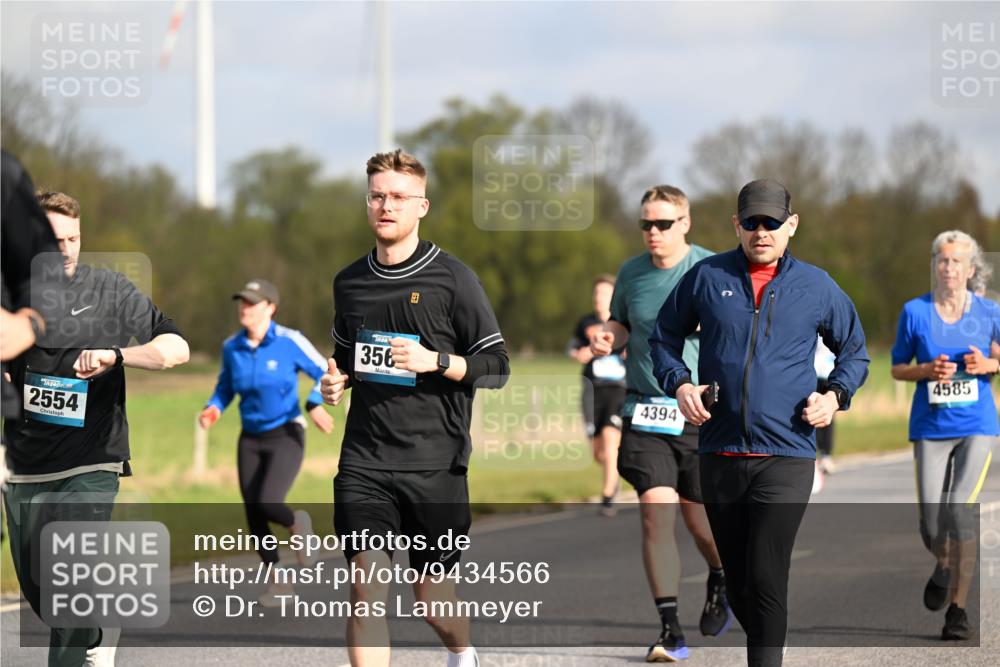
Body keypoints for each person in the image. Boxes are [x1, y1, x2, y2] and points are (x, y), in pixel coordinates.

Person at [650, 179, 869, 667]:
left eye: (772, 222)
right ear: (737, 225)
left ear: (791, 224)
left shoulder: (816, 286)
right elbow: (663, 339)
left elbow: (854, 352)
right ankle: (768, 636)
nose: (761, 231)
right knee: (743, 578)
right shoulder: (706, 277)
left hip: (786, 453)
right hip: (720, 451)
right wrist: (680, 384)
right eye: (751, 222)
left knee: (768, 575)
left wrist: (834, 397)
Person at [320, 149, 509, 667]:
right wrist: (334, 384)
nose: (387, 205)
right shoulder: (348, 282)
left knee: (432, 602)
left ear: (421, 206)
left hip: (436, 464)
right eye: (377, 196)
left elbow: (497, 367)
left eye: (399, 197)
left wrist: (436, 361)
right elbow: (346, 360)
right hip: (365, 462)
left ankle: (462, 651)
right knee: (366, 588)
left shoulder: (453, 279)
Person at [3, 189, 190, 667]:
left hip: (93, 459)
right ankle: (97, 624)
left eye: (73, 238)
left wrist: (119, 355)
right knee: (43, 594)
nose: (64, 248)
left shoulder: (109, 291)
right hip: (25, 466)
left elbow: (175, 348)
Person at [590, 184, 730, 662]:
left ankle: (720, 575)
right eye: (646, 224)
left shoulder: (713, 269)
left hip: (700, 412)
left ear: (685, 224)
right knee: (656, 513)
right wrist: (610, 335)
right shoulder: (631, 272)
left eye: (663, 224)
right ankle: (670, 628)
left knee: (702, 524)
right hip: (645, 410)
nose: (653, 232)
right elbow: (623, 322)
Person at [889, 230, 998, 641]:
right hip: (931, 427)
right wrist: (926, 371)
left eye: (957, 261)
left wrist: (987, 363)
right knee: (932, 525)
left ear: (971, 270)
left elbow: (999, 358)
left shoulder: (988, 311)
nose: (949, 267)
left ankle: (958, 610)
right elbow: (898, 367)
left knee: (960, 510)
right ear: (935, 265)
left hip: (977, 425)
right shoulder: (914, 312)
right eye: (943, 260)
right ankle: (945, 562)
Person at [199, 278, 334, 605]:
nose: (244, 308)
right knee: (253, 513)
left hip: (286, 432)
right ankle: (280, 584)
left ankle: (297, 522)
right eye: (242, 302)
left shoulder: (290, 341)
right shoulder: (232, 347)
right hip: (250, 437)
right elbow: (225, 386)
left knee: (268, 500)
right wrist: (214, 407)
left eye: (252, 303)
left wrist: (315, 403)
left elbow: (325, 371)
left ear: (270, 308)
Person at [568, 274, 626, 516]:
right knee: (599, 452)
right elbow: (572, 349)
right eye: (596, 293)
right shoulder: (586, 324)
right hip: (592, 389)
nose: (598, 298)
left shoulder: (623, 323)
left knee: (611, 439)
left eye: (604, 293)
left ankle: (608, 496)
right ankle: (615, 474)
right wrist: (580, 353)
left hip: (618, 388)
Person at [812, 335, 837, 492]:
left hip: (827, 372)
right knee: (811, 414)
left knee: (827, 417)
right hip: (812, 372)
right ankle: (813, 455)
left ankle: (826, 455)